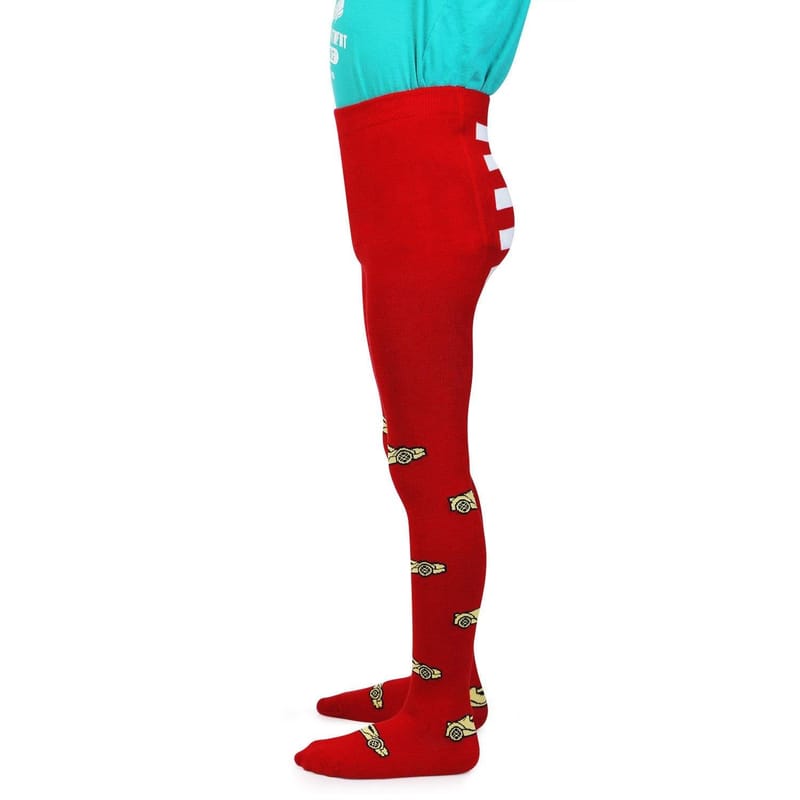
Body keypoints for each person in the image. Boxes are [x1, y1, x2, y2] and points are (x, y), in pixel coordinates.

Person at [295, 0, 532, 779]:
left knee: (428, 465)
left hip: (424, 195)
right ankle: (449, 681)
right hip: (400, 191)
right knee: (412, 459)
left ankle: (441, 724)